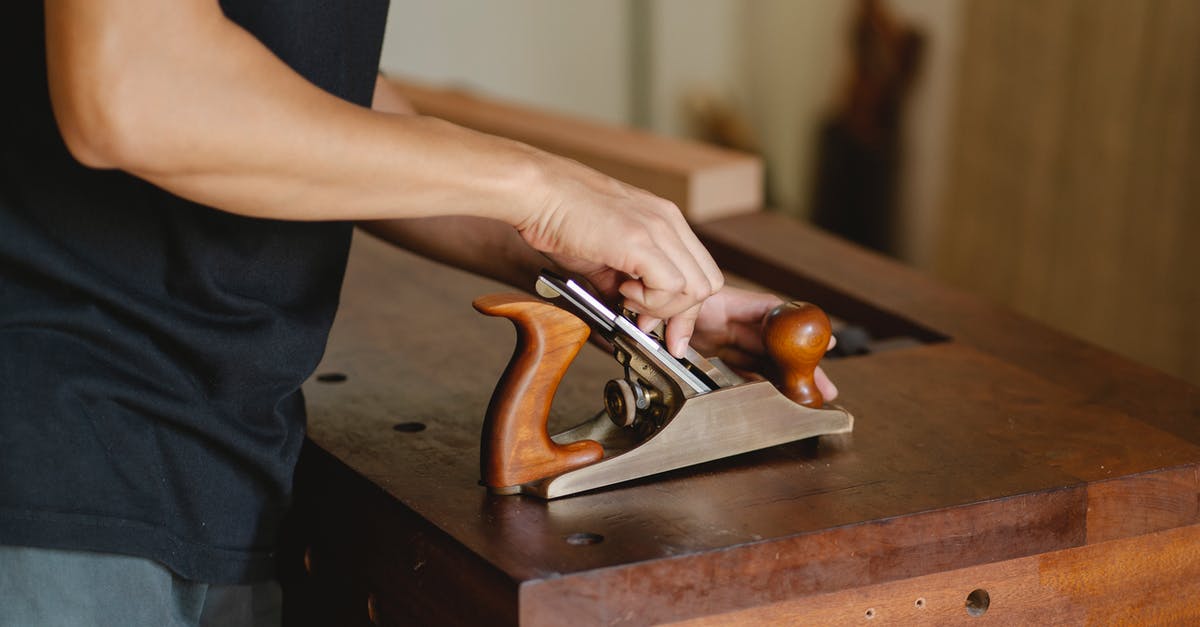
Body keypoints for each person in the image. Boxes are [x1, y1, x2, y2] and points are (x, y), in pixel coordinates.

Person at [0, 1, 836, 625]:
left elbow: (309, 92)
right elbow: (140, 87)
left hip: (213, 454)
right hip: (62, 457)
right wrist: (540, 186)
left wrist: (589, 259)